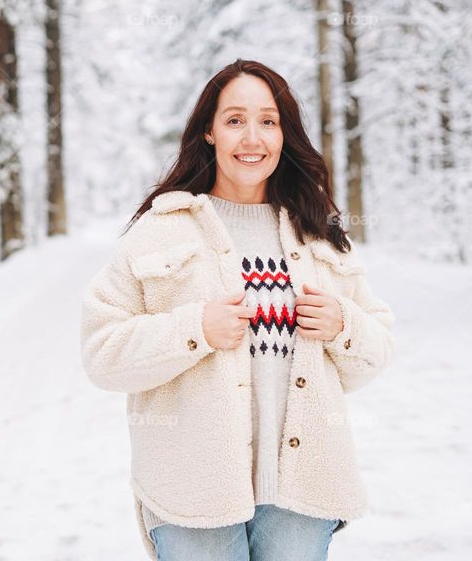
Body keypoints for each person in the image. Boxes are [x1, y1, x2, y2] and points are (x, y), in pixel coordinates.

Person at [79, 58, 395, 561]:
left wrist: (344, 325)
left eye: (268, 121)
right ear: (208, 132)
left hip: (301, 491)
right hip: (191, 489)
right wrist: (194, 329)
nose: (252, 138)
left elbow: (375, 353)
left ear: (284, 134)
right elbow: (101, 354)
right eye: (234, 121)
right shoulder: (161, 230)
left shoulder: (321, 235)